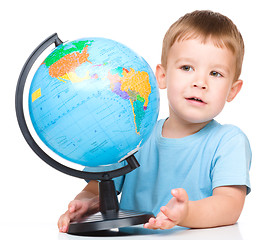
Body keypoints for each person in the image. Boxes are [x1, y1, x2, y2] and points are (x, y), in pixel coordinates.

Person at [58, 10, 251, 232]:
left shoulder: (228, 142)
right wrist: (86, 202)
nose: (200, 82)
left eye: (215, 73)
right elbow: (97, 188)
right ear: (162, 76)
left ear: (233, 90)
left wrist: (186, 214)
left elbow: (229, 206)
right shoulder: (134, 135)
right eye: (186, 68)